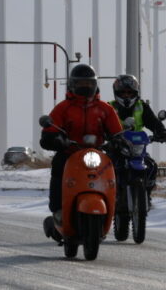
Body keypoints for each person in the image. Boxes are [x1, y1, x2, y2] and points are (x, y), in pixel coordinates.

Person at [39, 63, 123, 242]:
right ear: (72, 85)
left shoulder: (105, 109)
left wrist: (119, 141)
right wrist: (55, 140)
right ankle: (58, 210)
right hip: (70, 152)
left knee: (117, 170)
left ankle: (118, 208)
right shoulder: (63, 108)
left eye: (89, 83)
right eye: (80, 83)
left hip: (98, 154)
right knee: (58, 166)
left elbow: (116, 131)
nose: (85, 87)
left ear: (95, 85)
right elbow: (48, 133)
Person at [108, 74, 166, 204]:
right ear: (117, 93)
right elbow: (101, 122)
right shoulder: (109, 107)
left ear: (135, 93)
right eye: (123, 92)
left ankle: (146, 195)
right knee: (105, 168)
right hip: (116, 147)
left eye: (129, 92)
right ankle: (108, 196)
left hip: (137, 147)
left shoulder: (141, 106)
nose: (127, 96)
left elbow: (154, 122)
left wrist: (163, 133)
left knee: (151, 166)